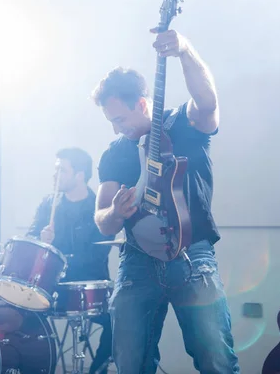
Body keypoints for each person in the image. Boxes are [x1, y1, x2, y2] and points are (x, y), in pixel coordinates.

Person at [91, 28, 240, 373]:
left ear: (142, 104)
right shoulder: (114, 153)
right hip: (137, 261)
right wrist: (115, 211)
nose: (116, 129)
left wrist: (185, 50)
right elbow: (101, 218)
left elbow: (208, 102)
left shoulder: (184, 125)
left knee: (215, 357)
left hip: (193, 254)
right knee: (129, 361)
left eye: (120, 119)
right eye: (110, 122)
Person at [27, 147, 114, 374]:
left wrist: (62, 260)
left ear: (80, 175)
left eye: (62, 170)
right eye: (55, 170)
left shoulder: (100, 209)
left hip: (89, 288)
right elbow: (30, 242)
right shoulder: (49, 204)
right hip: (51, 288)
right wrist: (41, 239)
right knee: (20, 315)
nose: (55, 175)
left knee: (120, 323)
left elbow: (97, 256)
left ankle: (97, 371)